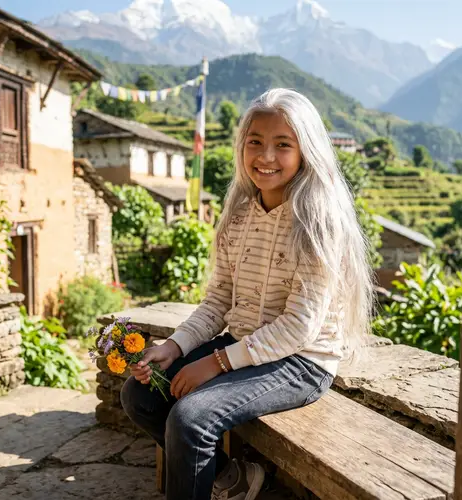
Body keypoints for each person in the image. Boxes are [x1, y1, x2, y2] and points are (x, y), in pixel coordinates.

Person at [121, 88, 374, 500]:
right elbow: (219, 299)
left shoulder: (318, 223)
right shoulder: (238, 216)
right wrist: (175, 345)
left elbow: (297, 328)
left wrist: (217, 363)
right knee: (141, 394)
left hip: (301, 361)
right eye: (255, 142)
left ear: (306, 150)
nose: (266, 156)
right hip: (243, 346)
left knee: (191, 419)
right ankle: (234, 480)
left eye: (283, 145)